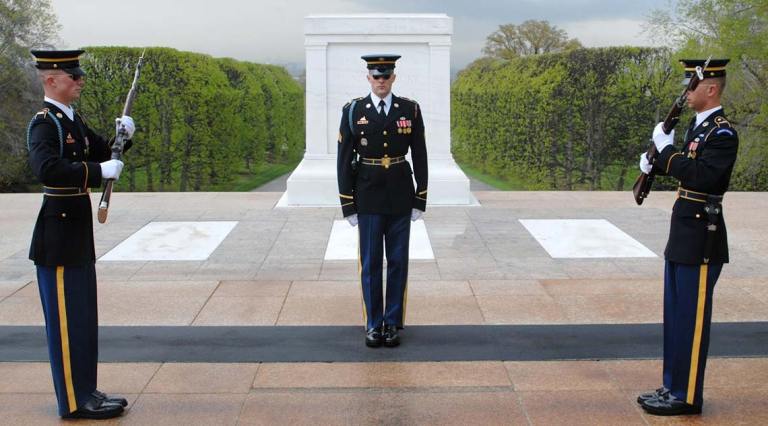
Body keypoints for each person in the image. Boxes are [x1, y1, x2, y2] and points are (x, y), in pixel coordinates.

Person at [26, 49, 136, 420]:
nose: (79, 80)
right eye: (73, 75)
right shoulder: (46, 123)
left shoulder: (71, 119)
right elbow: (47, 169)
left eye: (79, 74)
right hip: (57, 238)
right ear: (50, 79)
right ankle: (73, 401)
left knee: (83, 319)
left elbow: (106, 152)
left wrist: (124, 137)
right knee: (66, 325)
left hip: (75, 233)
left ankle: (86, 390)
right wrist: (97, 170)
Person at [637, 59, 738, 416]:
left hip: (702, 238)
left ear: (711, 89)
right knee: (676, 316)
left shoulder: (722, 133)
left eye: (691, 86)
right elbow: (686, 171)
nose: (686, 92)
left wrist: (666, 153)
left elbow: (703, 177)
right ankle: (672, 387)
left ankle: (688, 395)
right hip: (683, 235)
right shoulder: (698, 129)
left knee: (692, 322)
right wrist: (656, 163)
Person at [336, 54, 428, 348]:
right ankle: (373, 324)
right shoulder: (354, 111)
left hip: (400, 195)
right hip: (369, 196)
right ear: (368, 78)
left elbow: (421, 155)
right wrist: (347, 203)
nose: (381, 81)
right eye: (376, 76)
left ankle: (392, 323)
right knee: (372, 263)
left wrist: (420, 196)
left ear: (393, 78)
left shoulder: (410, 110)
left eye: (386, 76)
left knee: (398, 262)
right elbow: (343, 160)